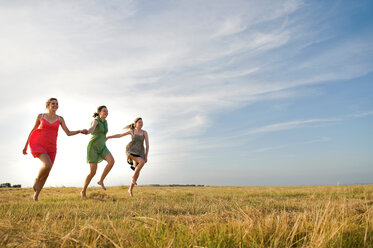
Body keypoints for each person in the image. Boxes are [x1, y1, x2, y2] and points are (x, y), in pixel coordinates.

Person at [23, 98, 87, 201]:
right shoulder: (41, 116)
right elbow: (33, 130)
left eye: (57, 104)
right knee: (47, 164)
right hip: (39, 144)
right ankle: (37, 179)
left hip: (52, 147)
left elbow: (68, 132)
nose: (55, 105)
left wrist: (80, 131)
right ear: (48, 105)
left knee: (47, 172)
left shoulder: (60, 119)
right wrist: (25, 145)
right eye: (53, 103)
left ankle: (36, 195)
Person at [106, 117, 149, 197]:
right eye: (139, 122)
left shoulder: (144, 132)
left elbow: (147, 145)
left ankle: (130, 189)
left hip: (140, 152)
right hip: (131, 150)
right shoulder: (132, 131)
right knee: (141, 163)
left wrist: (146, 156)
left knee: (137, 171)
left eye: (142, 122)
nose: (141, 124)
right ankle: (133, 176)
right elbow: (119, 135)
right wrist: (109, 137)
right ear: (135, 124)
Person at [81, 105, 115, 198]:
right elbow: (92, 128)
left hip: (102, 147)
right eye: (104, 111)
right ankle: (83, 191)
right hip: (93, 148)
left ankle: (101, 180)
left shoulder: (106, 122)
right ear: (99, 112)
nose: (106, 112)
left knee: (111, 162)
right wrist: (87, 131)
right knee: (92, 172)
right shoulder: (96, 120)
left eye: (107, 111)